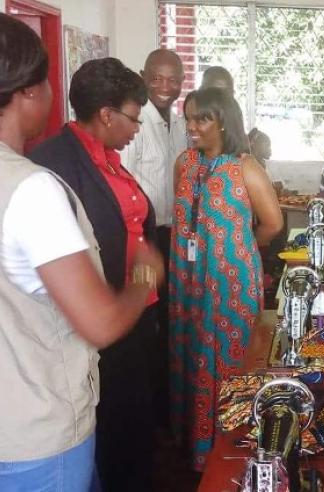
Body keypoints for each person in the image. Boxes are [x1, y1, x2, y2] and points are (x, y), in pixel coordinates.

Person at [0, 14, 163, 489]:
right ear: (29, 91)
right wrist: (145, 277)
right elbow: (99, 323)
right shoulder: (33, 185)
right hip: (39, 423)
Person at [170, 88, 283, 470]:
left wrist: (238, 248)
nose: (192, 127)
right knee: (193, 357)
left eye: (201, 118)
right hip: (189, 281)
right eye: (188, 119)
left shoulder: (244, 167)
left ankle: (232, 451)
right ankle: (196, 447)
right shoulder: (184, 163)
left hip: (231, 282)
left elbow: (273, 223)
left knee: (231, 360)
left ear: (223, 120)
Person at [118, 48, 188, 428]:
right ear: (144, 76)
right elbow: (125, 184)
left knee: (171, 315)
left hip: (173, 232)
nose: (166, 86)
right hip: (144, 237)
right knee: (148, 318)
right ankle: (150, 409)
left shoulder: (177, 123)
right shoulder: (136, 121)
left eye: (174, 79)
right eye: (158, 78)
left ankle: (169, 400)